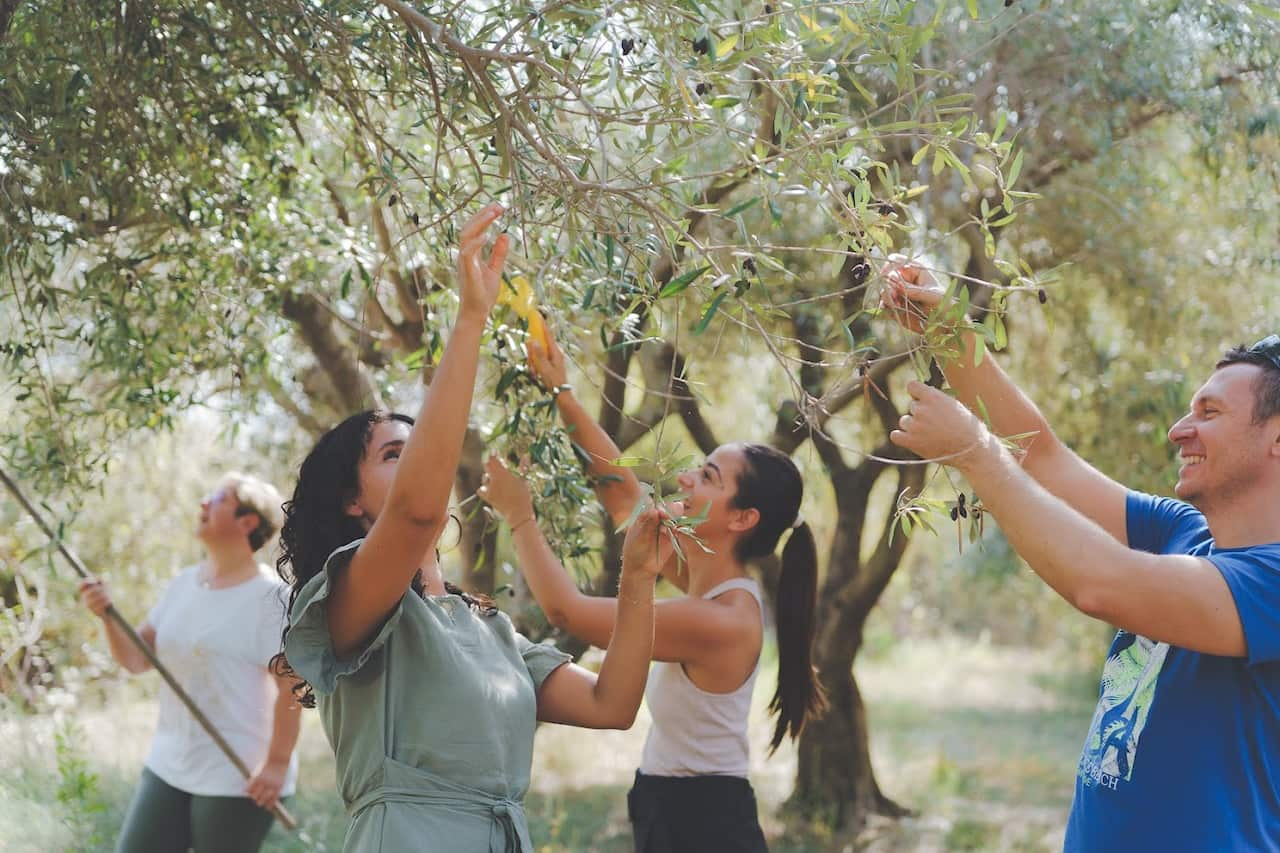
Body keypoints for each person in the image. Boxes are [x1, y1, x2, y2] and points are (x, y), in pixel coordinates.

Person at [271, 204, 664, 853]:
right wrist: (472, 317)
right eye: (396, 453)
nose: (424, 458)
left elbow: (613, 704)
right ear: (348, 500)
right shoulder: (349, 598)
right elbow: (416, 512)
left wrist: (641, 575)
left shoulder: (489, 627)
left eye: (418, 449)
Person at [881, 260, 1280, 852]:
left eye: (1209, 412)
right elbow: (1040, 455)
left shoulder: (1271, 583)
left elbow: (1104, 584)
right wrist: (947, 327)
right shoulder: (1182, 533)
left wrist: (973, 453)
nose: (1177, 429)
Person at [478, 330, 828, 853]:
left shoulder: (722, 621)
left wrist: (520, 515)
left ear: (742, 518)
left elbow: (565, 611)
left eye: (708, 477)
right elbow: (624, 496)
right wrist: (562, 392)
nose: (686, 478)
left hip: (704, 823)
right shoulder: (706, 581)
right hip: (674, 808)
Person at [78, 471, 299, 853]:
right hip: (170, 763)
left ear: (247, 521)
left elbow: (292, 688)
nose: (203, 503)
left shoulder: (272, 599)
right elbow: (135, 660)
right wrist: (107, 616)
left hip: (238, 775)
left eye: (219, 498)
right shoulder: (183, 584)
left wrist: (277, 764)